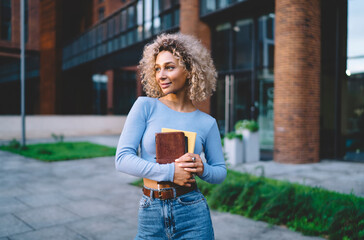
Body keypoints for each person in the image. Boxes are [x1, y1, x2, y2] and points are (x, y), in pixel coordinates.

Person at [115, 33, 227, 240]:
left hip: (192, 211)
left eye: (169, 67)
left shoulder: (207, 123)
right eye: (157, 68)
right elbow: (122, 160)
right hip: (151, 210)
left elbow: (220, 172)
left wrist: (202, 168)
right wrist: (170, 172)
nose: (161, 75)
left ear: (190, 69)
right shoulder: (145, 106)